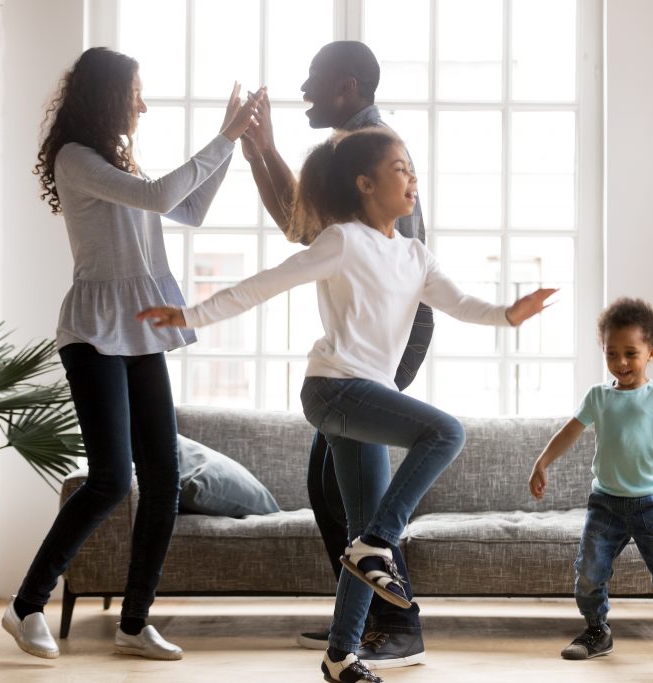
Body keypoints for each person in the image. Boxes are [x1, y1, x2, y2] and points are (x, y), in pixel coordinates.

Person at [137, 127, 555, 683]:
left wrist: (509, 313)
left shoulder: (414, 254)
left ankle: (341, 653)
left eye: (411, 168)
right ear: (365, 184)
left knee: (362, 526)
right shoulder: (343, 241)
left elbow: (463, 305)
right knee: (445, 434)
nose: (411, 178)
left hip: (366, 396)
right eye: (399, 168)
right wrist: (189, 316)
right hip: (334, 388)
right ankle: (377, 547)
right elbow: (267, 282)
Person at [2, 46, 263, 661]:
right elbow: (157, 196)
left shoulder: (120, 159)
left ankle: (134, 622)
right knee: (113, 479)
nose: (142, 103)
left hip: (141, 326)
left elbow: (188, 207)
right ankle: (25, 605)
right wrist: (224, 135)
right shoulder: (77, 159)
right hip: (94, 332)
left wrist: (234, 142)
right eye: (136, 92)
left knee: (165, 476)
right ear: (108, 96)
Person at [239, 40, 432, 668]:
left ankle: (396, 626)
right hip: (376, 337)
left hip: (390, 336)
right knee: (330, 480)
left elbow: (306, 230)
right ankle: (361, 622)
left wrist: (263, 150)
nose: (303, 90)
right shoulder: (347, 148)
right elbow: (305, 228)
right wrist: (260, 151)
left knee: (346, 487)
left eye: (314, 80)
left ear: (346, 87)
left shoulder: (367, 149)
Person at [527, 297, 653, 666]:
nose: (620, 363)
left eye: (630, 354)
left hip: (651, 504)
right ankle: (597, 630)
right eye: (611, 353)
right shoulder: (598, 397)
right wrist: (542, 462)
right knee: (588, 572)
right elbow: (569, 432)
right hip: (605, 503)